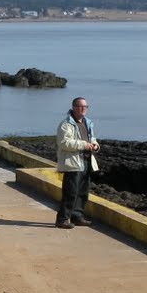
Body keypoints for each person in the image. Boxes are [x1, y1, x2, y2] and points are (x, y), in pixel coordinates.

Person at [55, 96, 100, 229]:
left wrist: (95, 146)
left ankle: (77, 216)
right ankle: (62, 219)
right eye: (80, 106)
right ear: (74, 107)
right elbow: (64, 143)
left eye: (85, 107)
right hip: (73, 163)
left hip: (86, 161)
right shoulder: (66, 124)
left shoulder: (88, 123)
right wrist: (84, 145)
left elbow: (92, 139)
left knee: (83, 192)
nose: (83, 109)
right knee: (70, 192)